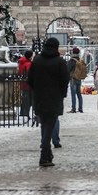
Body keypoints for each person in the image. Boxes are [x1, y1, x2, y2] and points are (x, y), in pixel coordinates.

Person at [27, 37, 69, 167]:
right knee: (49, 126)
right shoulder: (60, 62)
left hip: (39, 98)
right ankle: (44, 156)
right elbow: (65, 80)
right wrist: (62, 94)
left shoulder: (37, 60)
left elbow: (30, 79)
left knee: (44, 125)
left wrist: (37, 90)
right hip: (54, 98)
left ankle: (48, 154)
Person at [67, 47, 85, 113]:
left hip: (73, 79)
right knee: (79, 94)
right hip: (79, 79)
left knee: (73, 94)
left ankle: (73, 108)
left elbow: (67, 70)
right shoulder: (80, 60)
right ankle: (80, 108)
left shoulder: (71, 61)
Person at [18, 50, 33, 120]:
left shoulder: (21, 63)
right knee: (28, 100)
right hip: (28, 85)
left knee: (24, 99)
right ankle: (26, 114)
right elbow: (30, 74)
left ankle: (23, 112)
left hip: (23, 84)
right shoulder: (28, 64)